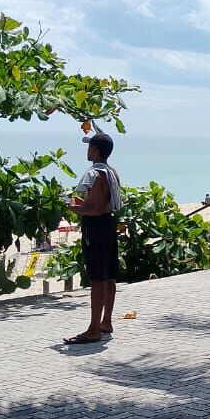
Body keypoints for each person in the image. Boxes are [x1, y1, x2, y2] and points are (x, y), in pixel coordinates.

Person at [63, 132, 123, 345]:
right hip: (109, 224)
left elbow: (94, 208)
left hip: (95, 227)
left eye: (90, 147)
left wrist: (72, 206)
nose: (87, 151)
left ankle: (93, 329)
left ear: (95, 150)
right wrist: (83, 204)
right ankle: (106, 322)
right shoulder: (112, 172)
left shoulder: (94, 173)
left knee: (97, 278)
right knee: (109, 275)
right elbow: (103, 204)